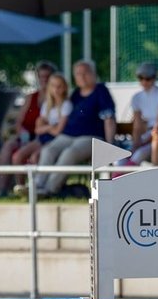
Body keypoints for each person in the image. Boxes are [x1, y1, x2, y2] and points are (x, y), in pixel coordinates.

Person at [33, 60, 116, 198]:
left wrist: (110, 145)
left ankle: (49, 189)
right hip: (68, 135)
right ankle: (36, 187)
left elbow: (109, 119)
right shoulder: (76, 93)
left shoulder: (101, 91)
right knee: (48, 150)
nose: (82, 76)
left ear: (93, 74)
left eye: (85, 73)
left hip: (90, 136)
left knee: (69, 153)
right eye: (78, 74)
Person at [0, 61, 57, 195]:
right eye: (41, 76)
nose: (44, 80)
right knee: (8, 146)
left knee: (28, 153)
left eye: (47, 76)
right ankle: (2, 189)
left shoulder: (56, 98)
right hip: (27, 135)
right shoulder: (31, 97)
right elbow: (20, 121)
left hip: (44, 137)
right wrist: (22, 136)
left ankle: (28, 189)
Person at [125, 61, 158, 165]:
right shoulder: (136, 97)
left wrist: (144, 140)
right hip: (145, 135)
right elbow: (137, 125)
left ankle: (123, 173)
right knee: (124, 157)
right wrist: (136, 143)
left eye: (147, 78)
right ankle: (118, 174)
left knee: (139, 154)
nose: (144, 81)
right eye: (141, 78)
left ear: (154, 78)